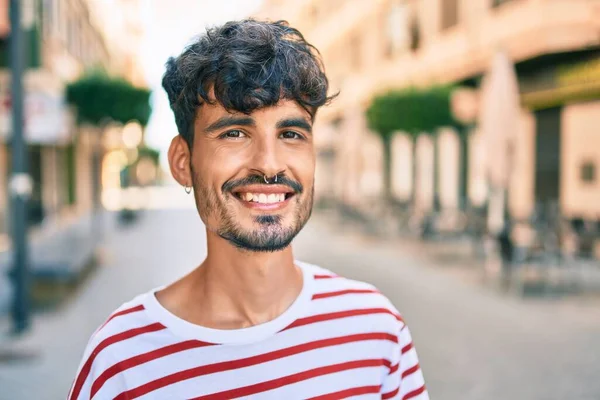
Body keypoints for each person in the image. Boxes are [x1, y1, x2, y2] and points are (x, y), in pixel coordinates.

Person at [68, 19, 428, 400]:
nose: (270, 165)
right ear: (181, 161)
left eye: (291, 134)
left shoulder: (376, 330)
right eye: (234, 133)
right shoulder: (121, 361)